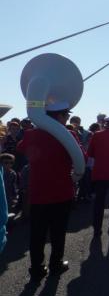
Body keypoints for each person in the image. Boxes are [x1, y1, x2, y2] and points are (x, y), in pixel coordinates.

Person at [17, 102, 84, 281]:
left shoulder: (32, 134)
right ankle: (55, 264)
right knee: (58, 232)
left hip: (38, 191)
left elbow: (20, 149)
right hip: (61, 191)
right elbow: (81, 159)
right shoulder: (68, 134)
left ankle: (37, 269)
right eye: (66, 115)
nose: (68, 118)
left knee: (37, 233)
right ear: (60, 116)